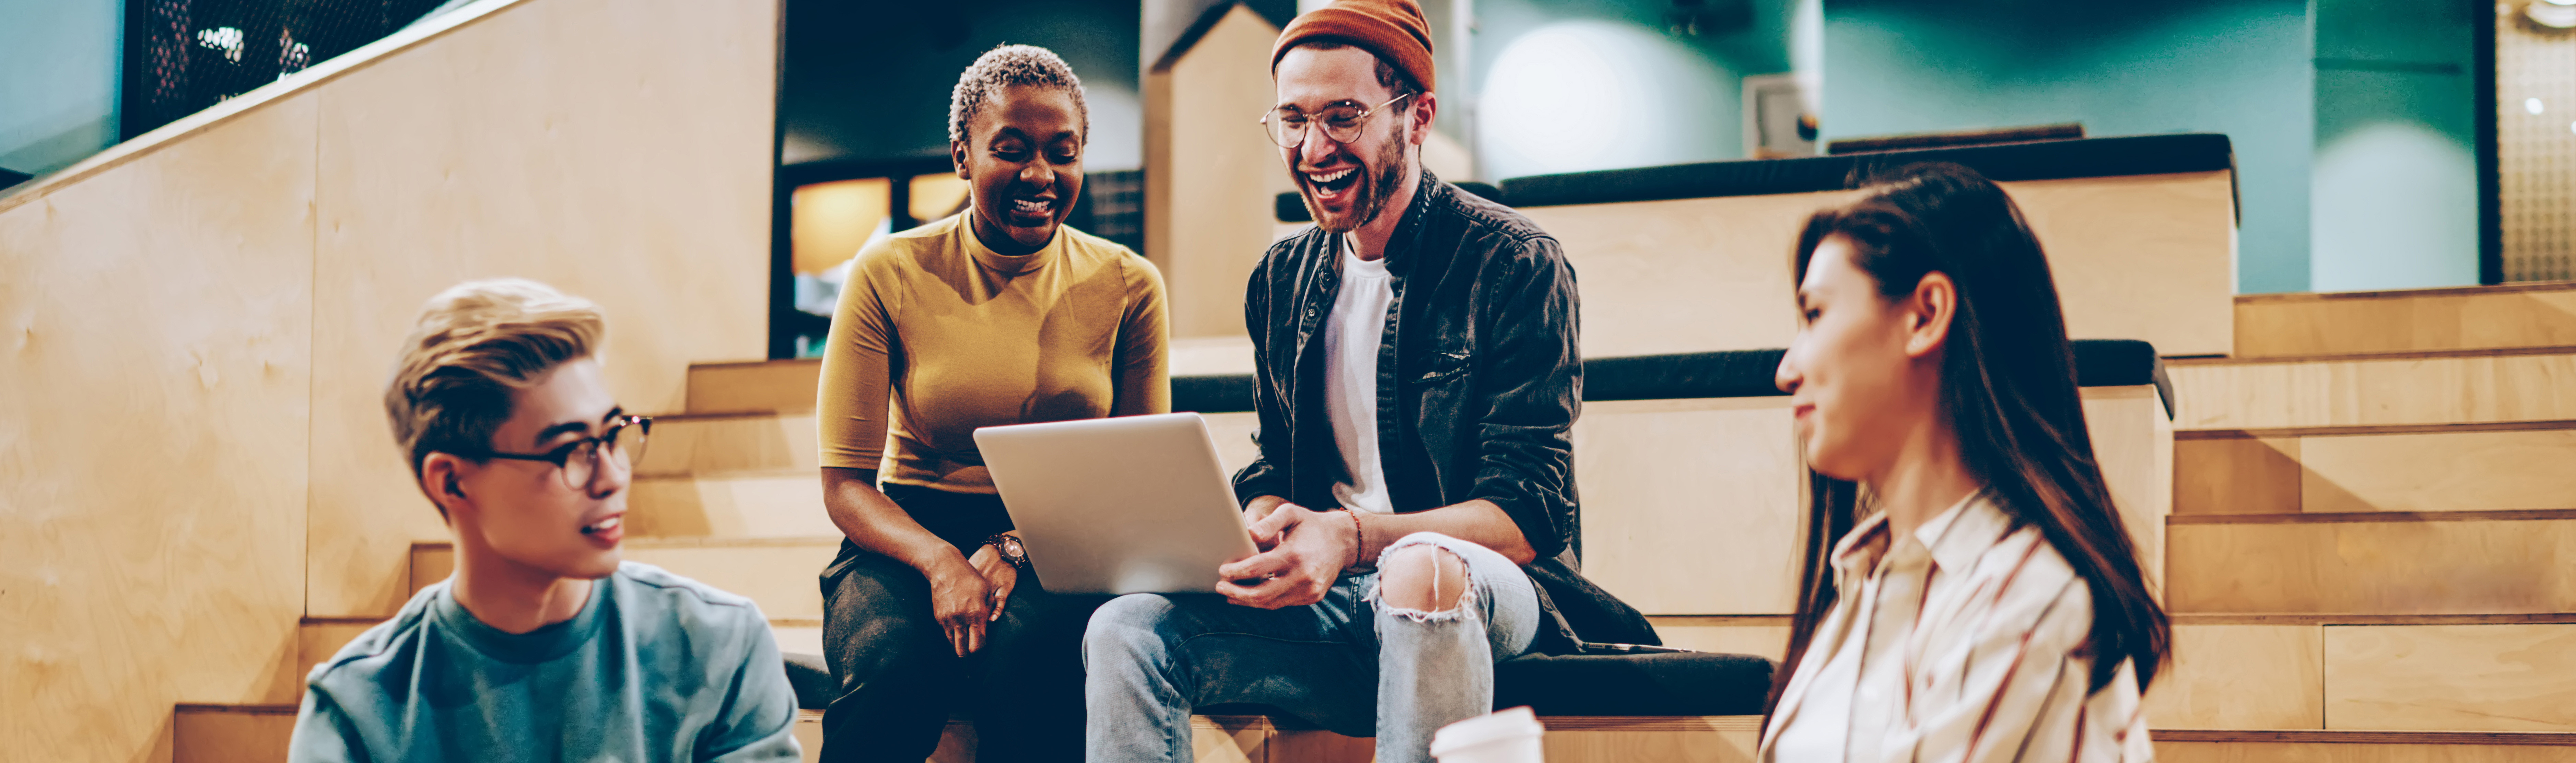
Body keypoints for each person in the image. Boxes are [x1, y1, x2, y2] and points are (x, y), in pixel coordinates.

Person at [1081, 2, 1654, 761]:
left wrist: (1350, 537)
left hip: (1489, 591)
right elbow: (1277, 464)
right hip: (1338, 601)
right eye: (1293, 119)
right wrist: (1260, 526)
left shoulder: (1513, 261)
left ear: (1418, 118)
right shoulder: (1281, 278)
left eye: (1343, 117)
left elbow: (1529, 515)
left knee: (1419, 572)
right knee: (1125, 627)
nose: (1314, 147)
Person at [812, 44, 1169, 763]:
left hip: (1064, 538)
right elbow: (845, 485)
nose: (1040, 174)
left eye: (1062, 153)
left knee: (1031, 667)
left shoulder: (1130, 284)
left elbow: (1139, 476)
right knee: (890, 669)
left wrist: (1016, 545)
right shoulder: (889, 270)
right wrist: (942, 561)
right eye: (1011, 150)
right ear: (962, 157)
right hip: (908, 534)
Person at [1757, 163, 2170, 762]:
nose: (1787, 370)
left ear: (1925, 315)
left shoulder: (2027, 601)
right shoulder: (1865, 575)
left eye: (1816, 315)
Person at [289, 279, 800, 762]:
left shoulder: (717, 647)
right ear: (452, 482)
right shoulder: (356, 712)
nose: (613, 476)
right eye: (570, 450)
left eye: (612, 435)